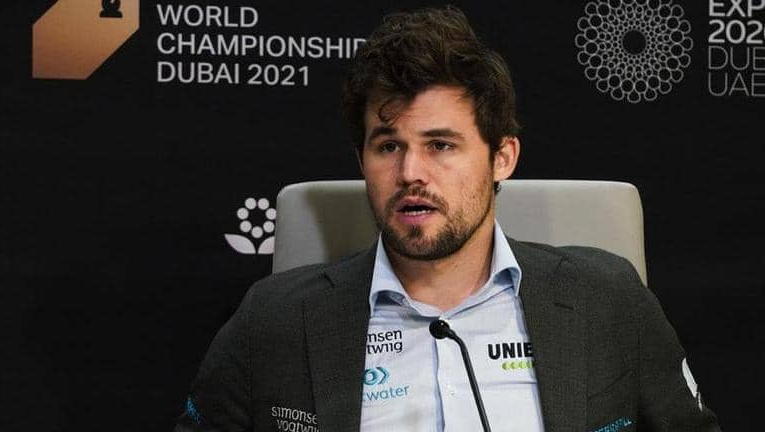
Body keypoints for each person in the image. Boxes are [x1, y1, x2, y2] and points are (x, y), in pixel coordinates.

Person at [175, 6, 721, 432]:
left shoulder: (609, 300)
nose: (411, 173)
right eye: (388, 146)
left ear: (502, 157)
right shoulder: (273, 321)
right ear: (362, 161)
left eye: (440, 145)